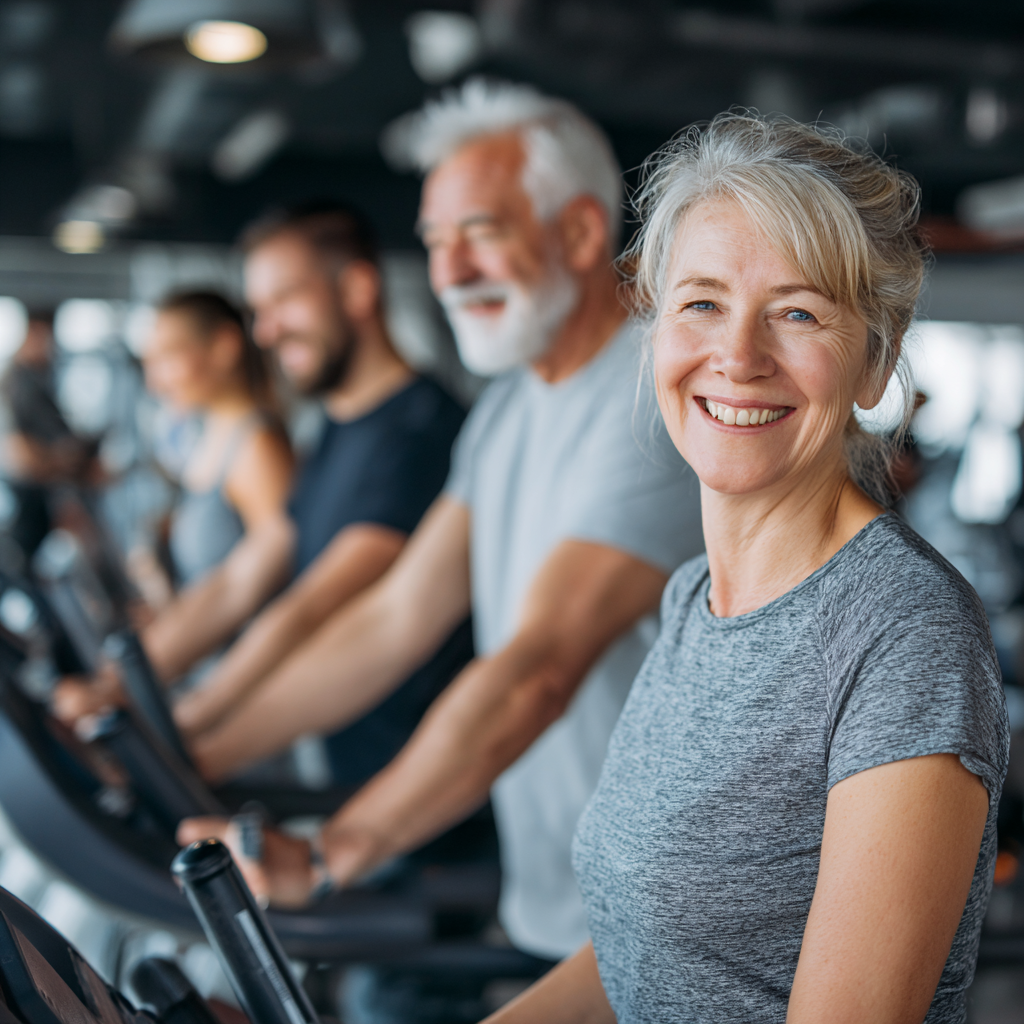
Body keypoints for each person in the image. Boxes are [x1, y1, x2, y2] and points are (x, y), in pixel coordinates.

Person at [479, 115, 1010, 1023]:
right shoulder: (693, 599)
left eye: (798, 312)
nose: (737, 356)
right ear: (653, 332)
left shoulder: (904, 635)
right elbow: (636, 954)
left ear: (877, 360)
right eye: (702, 303)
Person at [179, 80, 704, 964]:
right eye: (435, 242)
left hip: (670, 927)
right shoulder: (506, 410)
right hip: (553, 898)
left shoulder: (650, 402)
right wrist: (198, 749)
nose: (451, 271)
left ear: (579, 233)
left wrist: (333, 850)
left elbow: (538, 666)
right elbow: (394, 620)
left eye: (482, 234)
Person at [55, 203, 471, 787]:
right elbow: (241, 580)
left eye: (285, 301)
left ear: (356, 288)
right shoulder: (331, 429)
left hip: (425, 794)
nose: (265, 331)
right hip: (348, 771)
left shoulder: (421, 433)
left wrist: (182, 730)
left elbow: (315, 605)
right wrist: (117, 686)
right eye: (259, 310)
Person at [133, 291, 295, 667]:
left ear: (224, 347)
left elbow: (278, 594)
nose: (156, 381)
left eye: (168, 357)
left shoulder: (257, 448)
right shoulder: (210, 438)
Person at [0, 310, 98, 556]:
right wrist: (66, 462)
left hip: (46, 495)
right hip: (30, 498)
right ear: (33, 332)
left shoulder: (38, 377)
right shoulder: (17, 383)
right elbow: (20, 455)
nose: (50, 347)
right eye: (46, 337)